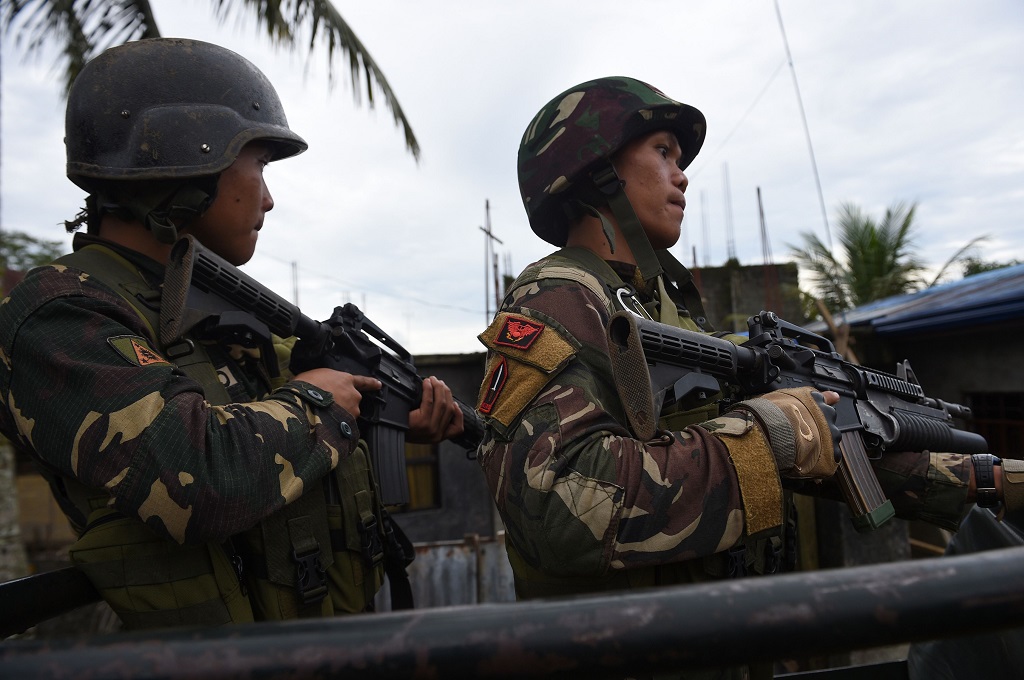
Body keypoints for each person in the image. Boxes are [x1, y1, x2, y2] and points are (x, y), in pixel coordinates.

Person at [474, 76, 1024, 677]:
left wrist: (986, 480)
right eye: (663, 152)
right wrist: (768, 435)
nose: (682, 176)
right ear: (596, 168)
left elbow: (825, 451)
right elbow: (554, 509)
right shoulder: (555, 298)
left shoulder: (663, 310)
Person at [0, 38, 462, 630]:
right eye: (260, 164)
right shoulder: (59, 314)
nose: (268, 198)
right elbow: (196, 476)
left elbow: (276, 438)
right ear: (190, 164)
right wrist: (323, 405)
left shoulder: (222, 316)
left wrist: (382, 419)